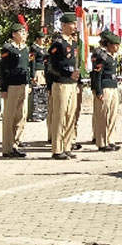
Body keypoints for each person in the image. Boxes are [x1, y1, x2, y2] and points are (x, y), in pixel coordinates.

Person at [48, 13, 80, 159]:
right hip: (61, 83)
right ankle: (57, 149)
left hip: (72, 84)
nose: (75, 26)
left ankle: (67, 146)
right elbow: (53, 65)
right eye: (72, 24)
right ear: (64, 25)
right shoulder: (58, 43)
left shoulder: (73, 43)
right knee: (60, 116)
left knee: (70, 116)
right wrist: (68, 73)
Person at [0, 22, 30, 158]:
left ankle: (15, 143)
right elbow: (3, 69)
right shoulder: (8, 48)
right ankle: (7, 147)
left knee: (21, 116)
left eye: (24, 32)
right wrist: (3, 88)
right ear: (14, 34)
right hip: (11, 85)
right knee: (9, 117)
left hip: (23, 85)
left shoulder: (25, 49)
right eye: (21, 32)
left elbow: (27, 67)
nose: (23, 35)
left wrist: (28, 83)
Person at [91, 30, 121, 153]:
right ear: (108, 44)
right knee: (103, 115)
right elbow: (97, 75)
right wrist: (98, 91)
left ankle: (110, 139)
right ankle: (102, 142)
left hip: (113, 86)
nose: (117, 47)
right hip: (104, 87)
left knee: (113, 114)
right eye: (115, 44)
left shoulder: (112, 57)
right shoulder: (102, 56)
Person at [28, 30, 48, 122]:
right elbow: (32, 61)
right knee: (36, 92)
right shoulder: (33, 48)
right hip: (37, 71)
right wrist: (33, 75)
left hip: (44, 72)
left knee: (43, 93)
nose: (44, 40)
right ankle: (35, 114)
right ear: (37, 39)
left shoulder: (43, 48)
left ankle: (42, 113)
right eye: (42, 38)